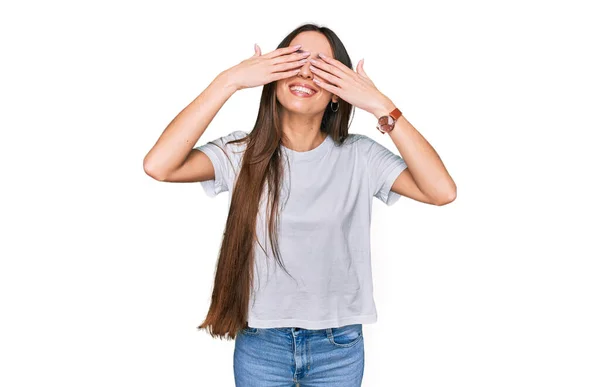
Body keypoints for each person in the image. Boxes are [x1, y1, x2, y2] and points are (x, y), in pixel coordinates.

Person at [143, 23, 456, 387]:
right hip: (261, 344)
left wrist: (380, 105)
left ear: (339, 92)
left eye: (322, 66)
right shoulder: (242, 153)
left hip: (337, 347)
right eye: (293, 60)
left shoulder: (360, 156)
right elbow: (158, 165)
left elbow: (441, 191)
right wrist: (229, 81)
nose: (305, 72)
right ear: (273, 76)